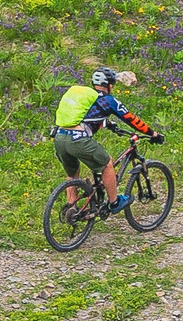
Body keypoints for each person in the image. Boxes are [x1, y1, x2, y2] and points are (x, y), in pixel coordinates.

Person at [51, 67, 160, 213]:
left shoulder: (87, 97)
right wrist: (153, 134)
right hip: (77, 140)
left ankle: (72, 208)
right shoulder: (108, 100)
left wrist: (110, 125)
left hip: (59, 137)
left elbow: (88, 116)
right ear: (109, 85)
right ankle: (114, 203)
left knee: (72, 173)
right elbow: (131, 119)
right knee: (107, 163)